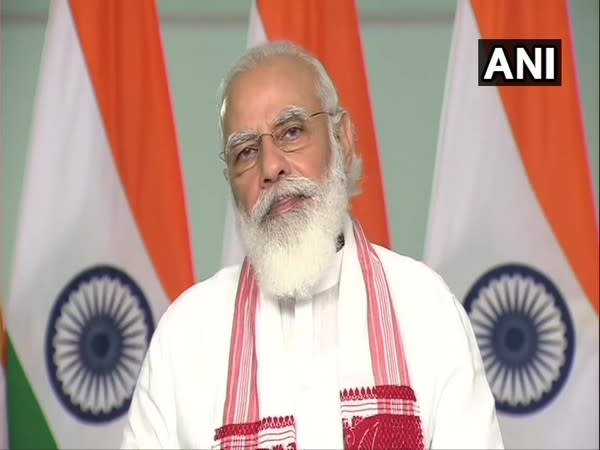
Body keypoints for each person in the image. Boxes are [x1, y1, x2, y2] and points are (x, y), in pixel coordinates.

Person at [121, 41, 504, 450]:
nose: (270, 167)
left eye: (291, 132)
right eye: (246, 152)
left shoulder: (427, 311)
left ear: (344, 139)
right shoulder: (185, 336)